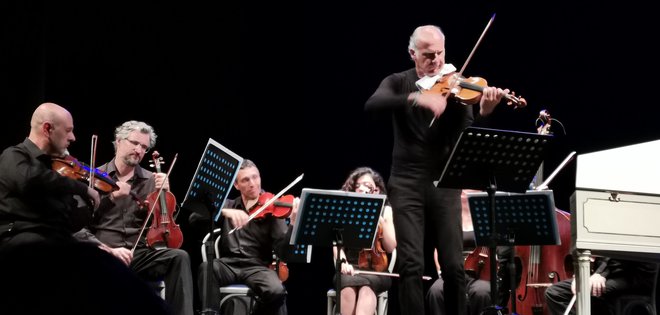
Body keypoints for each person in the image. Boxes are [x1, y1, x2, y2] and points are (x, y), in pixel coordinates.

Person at [364, 25, 510, 315]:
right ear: (412, 54)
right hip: (406, 183)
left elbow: (468, 135)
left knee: (454, 265)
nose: (436, 61)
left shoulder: (457, 84)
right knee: (411, 264)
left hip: (444, 182)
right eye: (428, 55)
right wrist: (416, 98)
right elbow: (373, 104)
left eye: (440, 53)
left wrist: (484, 113)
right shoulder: (399, 82)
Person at [76, 120, 194, 315]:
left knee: (179, 257)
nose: (139, 150)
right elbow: (79, 224)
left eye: (144, 147)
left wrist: (166, 193)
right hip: (106, 252)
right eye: (135, 143)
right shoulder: (94, 176)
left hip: (138, 254)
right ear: (119, 141)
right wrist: (111, 198)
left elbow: (166, 224)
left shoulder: (152, 180)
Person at [197, 159, 299, 315]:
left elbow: (284, 253)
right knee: (207, 267)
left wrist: (292, 224)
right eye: (246, 180)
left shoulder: (272, 209)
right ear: (236, 185)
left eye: (255, 177)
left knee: (277, 291)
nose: (253, 183)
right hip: (228, 265)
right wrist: (224, 212)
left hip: (257, 267)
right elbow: (194, 218)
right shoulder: (230, 205)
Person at [0, 102, 99, 248]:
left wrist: (95, 204)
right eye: (68, 130)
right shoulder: (14, 155)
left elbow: (72, 222)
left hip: (54, 239)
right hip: (19, 239)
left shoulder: (56, 167)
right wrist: (83, 189)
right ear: (47, 128)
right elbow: (28, 180)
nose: (73, 137)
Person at [333, 166, 396, 315]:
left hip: (377, 271)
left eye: (368, 186)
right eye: (358, 185)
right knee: (347, 288)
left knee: (367, 290)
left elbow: (391, 246)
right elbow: (336, 245)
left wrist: (378, 218)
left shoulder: (385, 210)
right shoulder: (343, 210)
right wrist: (343, 263)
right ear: (352, 189)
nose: (362, 188)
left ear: (376, 190)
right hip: (349, 268)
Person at [426, 190, 491, 315]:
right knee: (436, 290)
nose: (464, 192)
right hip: (453, 269)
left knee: (481, 292)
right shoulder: (448, 217)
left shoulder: (485, 216)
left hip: (480, 273)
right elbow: (438, 247)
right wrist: (441, 270)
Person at [545, 257, 656, 315]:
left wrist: (600, 274)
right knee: (555, 292)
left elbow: (619, 256)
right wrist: (582, 275)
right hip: (613, 272)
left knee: (593, 290)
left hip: (635, 274)